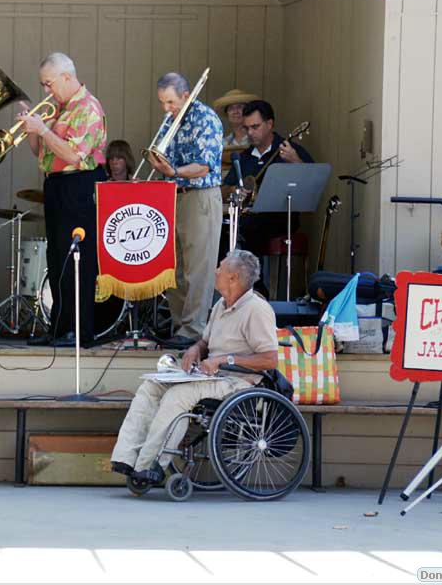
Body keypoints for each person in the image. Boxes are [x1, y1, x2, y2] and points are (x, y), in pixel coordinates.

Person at [110, 250, 279, 484]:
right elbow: (206, 342)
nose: (216, 271)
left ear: (234, 278)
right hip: (212, 377)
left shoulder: (256, 309)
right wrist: (195, 349)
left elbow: (270, 359)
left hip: (239, 382)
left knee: (178, 396)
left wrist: (224, 360)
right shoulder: (221, 304)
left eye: (220, 267)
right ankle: (126, 458)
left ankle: (152, 464)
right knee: (152, 386)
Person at [17, 52, 108, 347]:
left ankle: (79, 331)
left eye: (49, 83)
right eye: (43, 84)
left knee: (77, 260)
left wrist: (42, 129)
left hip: (79, 186)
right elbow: (42, 154)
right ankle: (59, 327)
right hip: (56, 185)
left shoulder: (88, 108)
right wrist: (31, 128)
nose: (46, 90)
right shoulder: (60, 108)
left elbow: (73, 155)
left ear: (67, 77)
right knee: (58, 259)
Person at [144, 72, 224, 349]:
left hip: (199, 196)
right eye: (162, 103)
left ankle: (194, 330)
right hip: (174, 195)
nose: (166, 108)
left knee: (198, 268)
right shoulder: (172, 119)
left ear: (186, 96)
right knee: (173, 268)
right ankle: (180, 327)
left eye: (170, 102)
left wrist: (173, 171)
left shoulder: (206, 119)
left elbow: (204, 165)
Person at [222, 100, 314, 260]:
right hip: (247, 215)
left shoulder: (289, 150)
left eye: (255, 127)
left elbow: (313, 181)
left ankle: (255, 282)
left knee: (250, 227)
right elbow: (223, 189)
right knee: (223, 228)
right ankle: (228, 282)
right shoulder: (244, 157)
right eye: (246, 128)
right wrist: (235, 190)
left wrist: (295, 161)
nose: (250, 133)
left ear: (269, 124)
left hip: (281, 217)